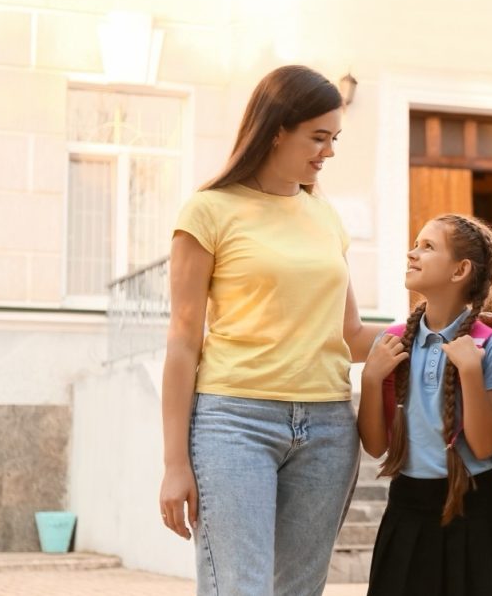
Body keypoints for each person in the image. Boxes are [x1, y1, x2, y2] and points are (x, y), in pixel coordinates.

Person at [158, 65, 380, 595]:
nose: (328, 152)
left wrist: (440, 328)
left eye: (334, 139)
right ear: (277, 128)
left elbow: (351, 334)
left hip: (328, 427)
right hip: (235, 422)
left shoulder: (324, 216)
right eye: (318, 137)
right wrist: (173, 463)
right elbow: (183, 339)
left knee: (299, 591)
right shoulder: (210, 211)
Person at [357, 213, 492, 596]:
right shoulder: (393, 342)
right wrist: (369, 378)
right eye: (415, 244)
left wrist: (470, 372)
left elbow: (482, 446)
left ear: (460, 269)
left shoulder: (489, 347)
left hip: (476, 510)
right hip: (407, 508)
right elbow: (377, 446)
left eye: (427, 247)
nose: (412, 254)